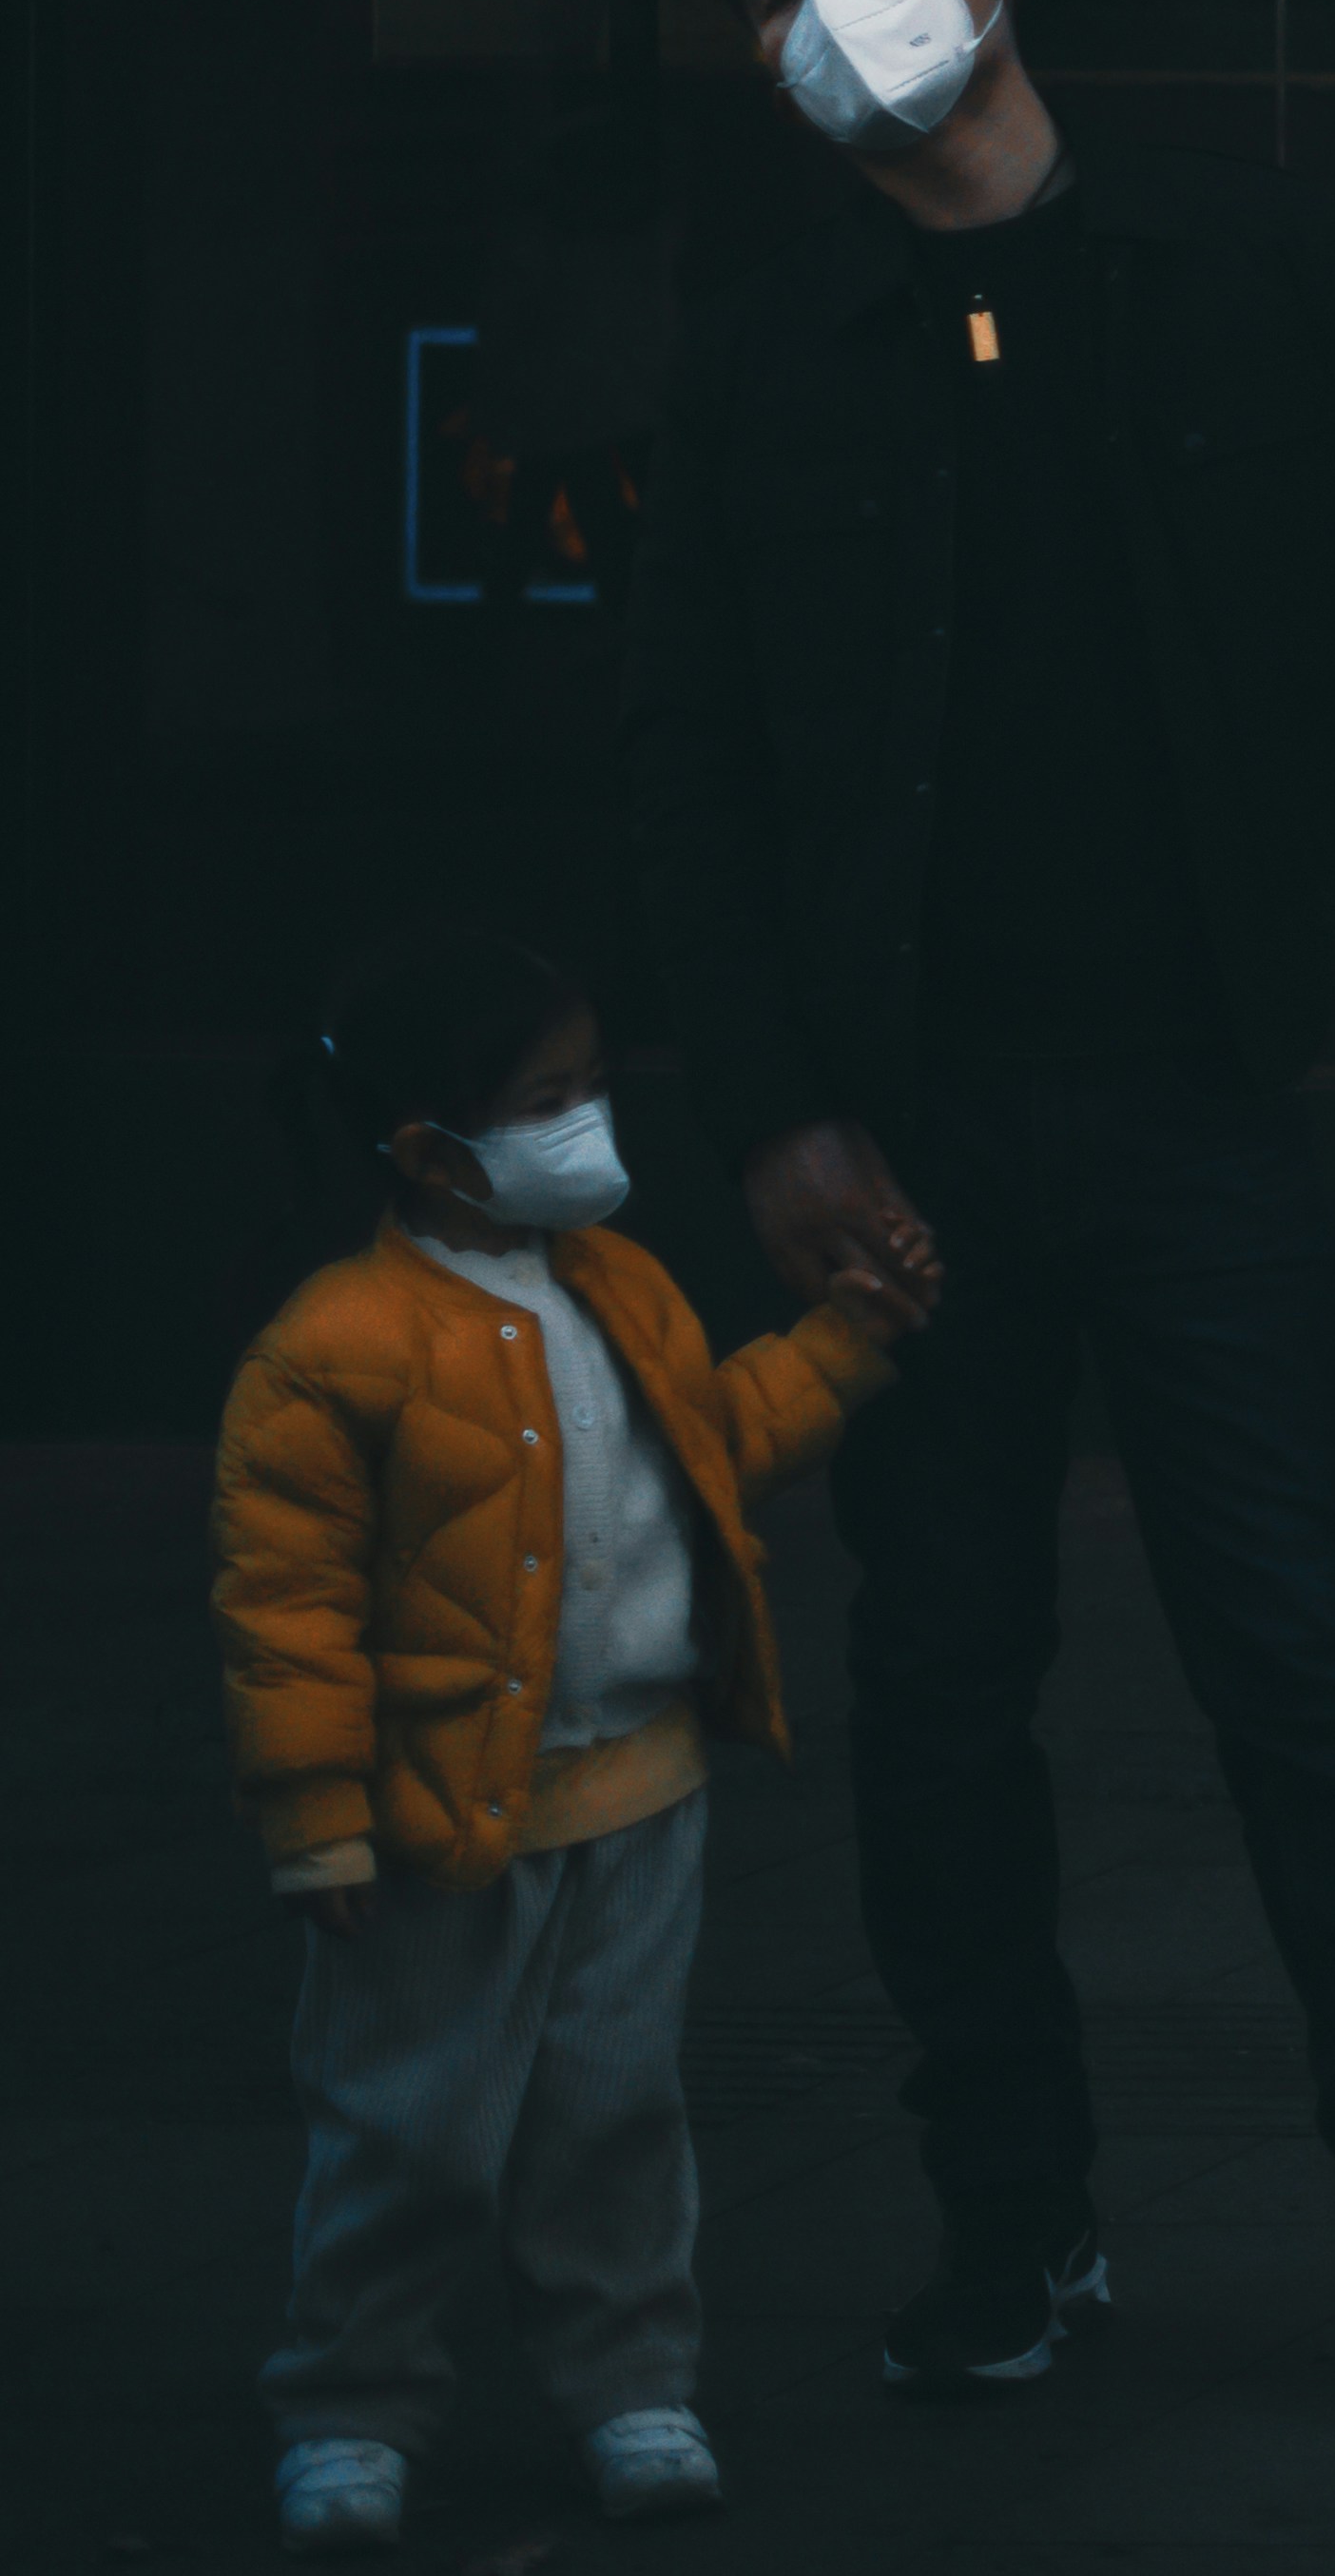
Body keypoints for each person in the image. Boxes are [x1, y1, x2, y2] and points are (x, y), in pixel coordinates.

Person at [622, 0, 1335, 2431]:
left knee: (1305, 1672)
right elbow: (686, 771)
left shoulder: (1239, 270)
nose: (816, 14)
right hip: (899, 1148)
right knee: (942, 1694)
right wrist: (779, 1116)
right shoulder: (765, 356)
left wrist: (1258, 908)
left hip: (1184, 1100)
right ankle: (1008, 2229)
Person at [221, 921, 925, 2554]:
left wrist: (845, 1346)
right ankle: (349, 2409)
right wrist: (316, 1817)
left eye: (595, 1085)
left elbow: (715, 1446)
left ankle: (631, 2390)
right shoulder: (332, 1350)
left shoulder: (626, 1290)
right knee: (407, 2132)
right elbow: (289, 1608)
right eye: (547, 1096)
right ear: (425, 1141)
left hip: (641, 1802)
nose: (586, 1123)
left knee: (616, 2117)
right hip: (427, 1824)